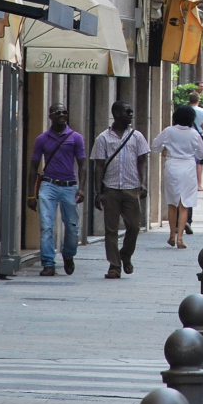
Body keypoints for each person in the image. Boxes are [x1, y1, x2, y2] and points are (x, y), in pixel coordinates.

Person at [91, 101, 150, 279]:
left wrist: (143, 183)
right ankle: (114, 266)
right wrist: (98, 191)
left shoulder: (137, 137)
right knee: (111, 230)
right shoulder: (103, 138)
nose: (130, 115)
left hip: (131, 188)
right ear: (116, 113)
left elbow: (142, 161)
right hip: (111, 189)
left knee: (133, 226)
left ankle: (125, 254)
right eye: (127, 112)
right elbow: (99, 165)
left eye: (131, 112)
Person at [29, 103, 86, 277]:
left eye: (64, 112)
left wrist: (81, 188)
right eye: (58, 112)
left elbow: (83, 165)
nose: (62, 115)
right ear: (50, 116)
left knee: (72, 227)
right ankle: (48, 263)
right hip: (49, 185)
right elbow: (33, 167)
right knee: (46, 225)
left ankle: (68, 255)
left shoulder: (76, 138)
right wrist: (31, 194)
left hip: (69, 186)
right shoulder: (42, 139)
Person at [152, 105, 203, 249]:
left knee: (172, 203)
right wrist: (191, 153)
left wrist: (165, 149)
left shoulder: (169, 131)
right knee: (184, 204)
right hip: (188, 167)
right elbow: (202, 153)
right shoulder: (194, 133)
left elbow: (155, 146)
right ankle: (180, 238)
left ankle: (171, 235)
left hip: (172, 166)